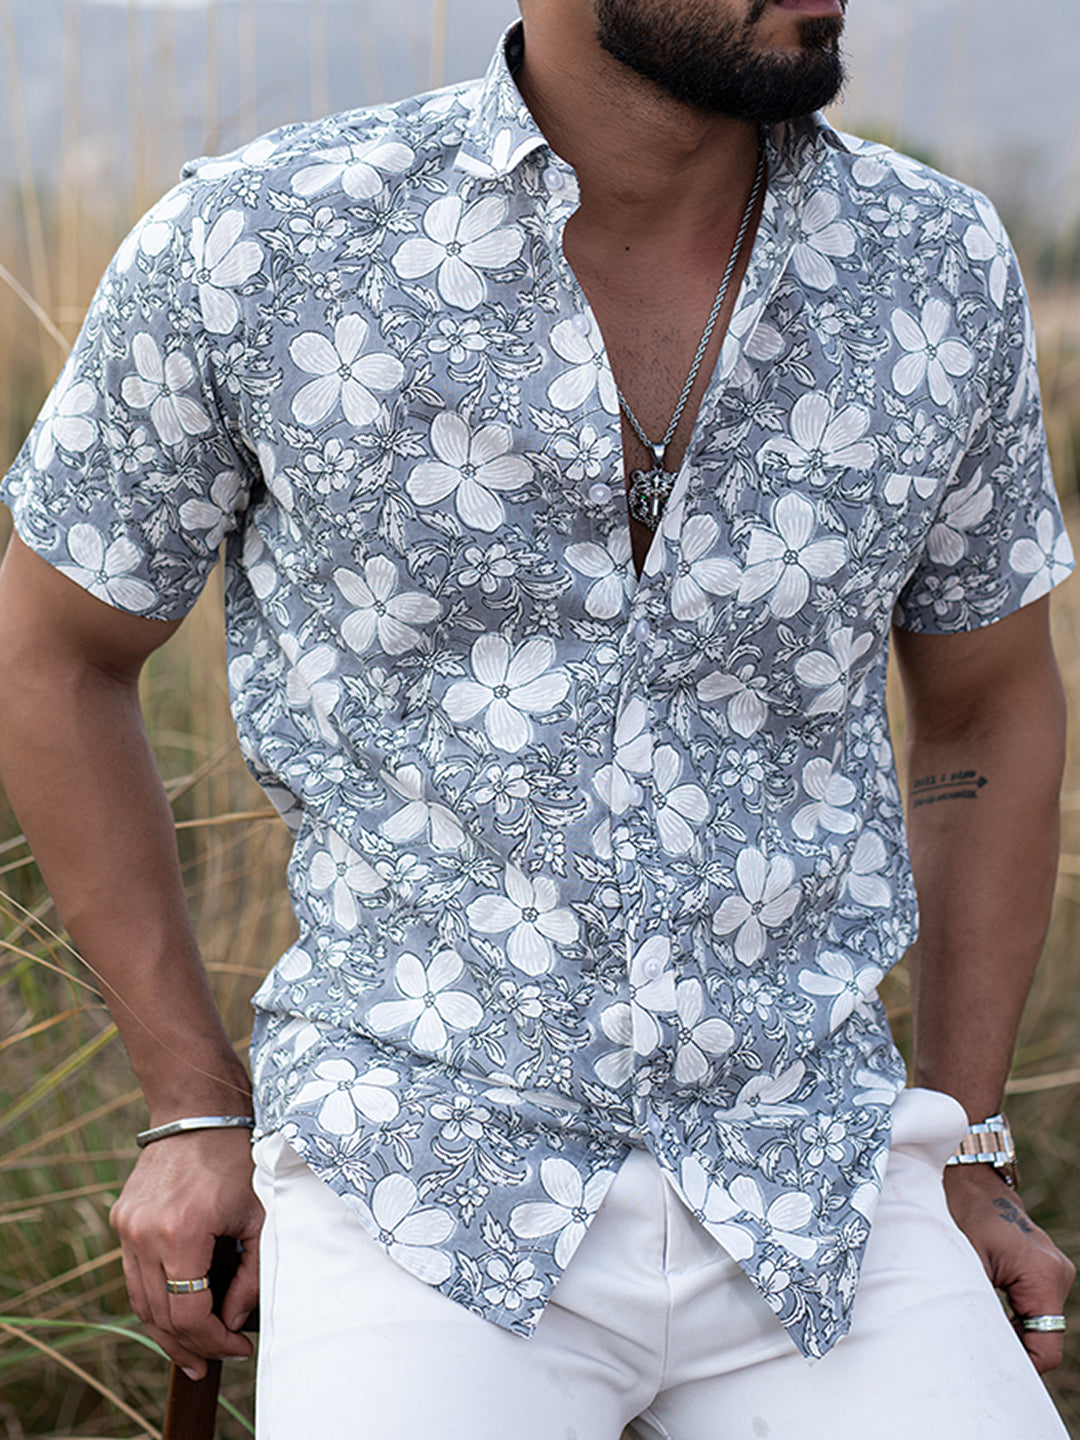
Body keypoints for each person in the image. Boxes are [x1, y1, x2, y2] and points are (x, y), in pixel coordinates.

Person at [0, 0, 1075, 1434]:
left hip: (825, 1166)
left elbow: (988, 702)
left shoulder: (934, 262)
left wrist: (968, 1141)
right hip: (411, 1170)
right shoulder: (262, 242)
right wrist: (193, 1108)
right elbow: (56, 652)